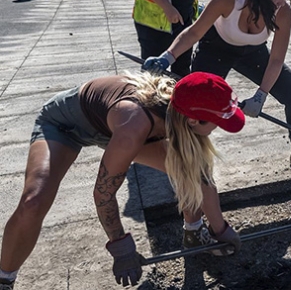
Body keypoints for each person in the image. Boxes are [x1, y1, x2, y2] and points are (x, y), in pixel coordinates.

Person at [0, 71, 244, 290]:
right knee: (34, 202)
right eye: (218, 122)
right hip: (64, 125)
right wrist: (120, 246)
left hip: (112, 126)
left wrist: (220, 229)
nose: (218, 128)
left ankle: (194, 232)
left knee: (190, 168)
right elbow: (103, 194)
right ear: (194, 120)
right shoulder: (134, 127)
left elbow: (202, 178)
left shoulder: (182, 107)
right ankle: (4, 278)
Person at [142, 0, 291, 172]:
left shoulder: (283, 11)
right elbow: (194, 32)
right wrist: (167, 57)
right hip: (216, 49)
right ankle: (187, 156)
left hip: (253, 52)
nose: (281, 2)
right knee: (195, 103)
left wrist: (261, 96)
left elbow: (277, 59)